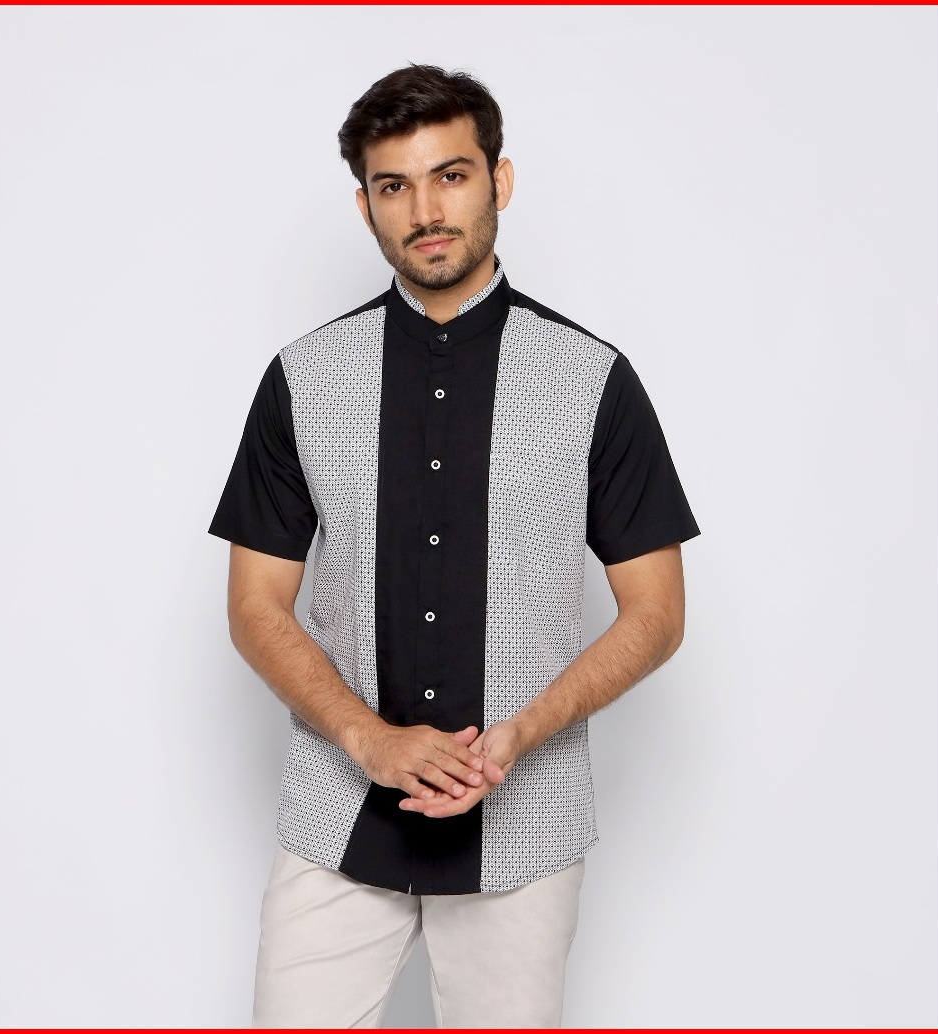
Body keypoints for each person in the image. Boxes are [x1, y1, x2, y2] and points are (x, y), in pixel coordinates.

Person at [209, 64, 700, 1029]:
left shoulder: (592, 378)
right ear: (365, 207)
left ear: (499, 181)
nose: (426, 210)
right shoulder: (303, 377)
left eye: (452, 175)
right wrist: (369, 740)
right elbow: (254, 604)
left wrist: (522, 731)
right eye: (394, 185)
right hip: (335, 815)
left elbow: (658, 612)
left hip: (524, 825)